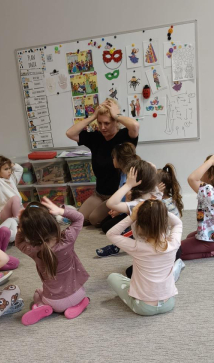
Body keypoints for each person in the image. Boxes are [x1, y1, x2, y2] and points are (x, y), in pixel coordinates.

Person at [16, 198, 90, 326]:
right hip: (78, 294)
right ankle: (80, 304)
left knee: (37, 293)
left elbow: (18, 242)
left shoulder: (32, 250)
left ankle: (41, 306)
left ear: (28, 234)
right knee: (77, 293)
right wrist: (61, 211)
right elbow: (79, 218)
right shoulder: (67, 239)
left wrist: (21, 227)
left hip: (53, 302)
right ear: (53, 222)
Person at [65, 98, 139, 226]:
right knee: (79, 219)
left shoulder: (125, 136)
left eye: (107, 123)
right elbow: (70, 133)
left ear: (115, 121)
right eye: (99, 123)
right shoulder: (96, 137)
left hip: (117, 196)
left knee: (94, 219)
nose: (103, 127)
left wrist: (116, 115)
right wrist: (93, 116)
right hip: (99, 194)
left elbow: (135, 125)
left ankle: (121, 214)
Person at [106, 198, 183, 316]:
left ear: (139, 227)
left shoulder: (137, 247)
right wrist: (158, 210)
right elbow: (177, 223)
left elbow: (111, 234)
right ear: (164, 222)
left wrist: (132, 217)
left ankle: (174, 270)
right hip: (169, 303)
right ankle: (175, 269)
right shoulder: (174, 243)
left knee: (113, 277)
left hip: (143, 307)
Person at [97, 161, 160, 258]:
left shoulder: (138, 205)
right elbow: (153, 169)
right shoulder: (156, 196)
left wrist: (128, 185)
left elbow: (111, 203)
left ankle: (114, 247)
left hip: (148, 253)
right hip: (163, 248)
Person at [100, 142, 141, 235]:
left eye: (114, 157)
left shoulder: (130, 175)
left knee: (106, 227)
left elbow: (130, 200)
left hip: (131, 210)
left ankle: (131, 228)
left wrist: (119, 210)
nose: (112, 160)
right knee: (104, 223)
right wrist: (117, 210)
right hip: (123, 208)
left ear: (120, 159)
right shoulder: (122, 173)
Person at [0, 155, 23, 239]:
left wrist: (11, 164)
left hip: (17, 209)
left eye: (9, 168)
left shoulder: (11, 179)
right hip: (4, 211)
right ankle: (19, 221)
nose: (9, 171)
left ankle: (19, 224)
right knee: (15, 198)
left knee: (31, 210)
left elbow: (20, 169)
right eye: (6, 169)